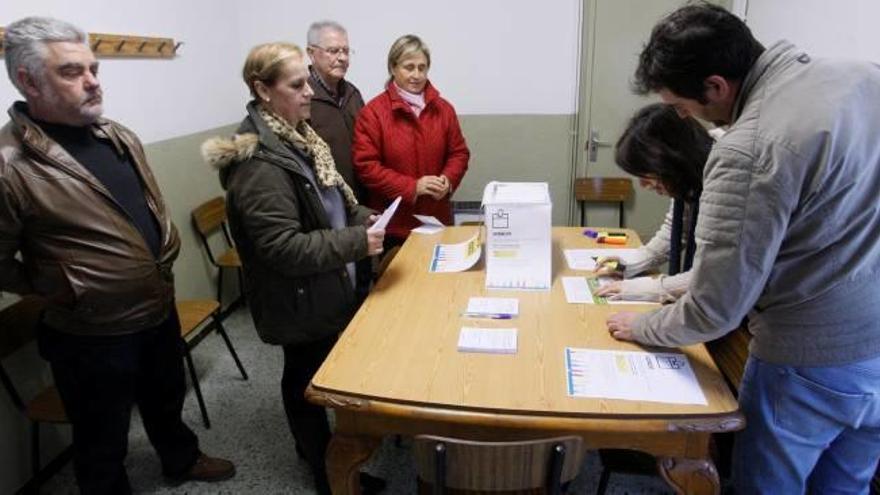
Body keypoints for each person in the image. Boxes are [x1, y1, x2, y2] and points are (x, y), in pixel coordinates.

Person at [605, 3, 880, 493]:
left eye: (682, 108)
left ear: (715, 86)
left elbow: (715, 307)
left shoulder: (748, 148)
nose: (685, 118)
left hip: (808, 359)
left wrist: (643, 323)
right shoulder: (864, 77)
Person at [0, 17, 234, 494]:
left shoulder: (115, 133)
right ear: (28, 80)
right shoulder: (11, 165)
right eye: (71, 72)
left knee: (166, 398)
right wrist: (54, 287)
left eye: (93, 68)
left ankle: (180, 458)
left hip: (154, 304)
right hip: (91, 332)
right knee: (101, 438)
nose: (92, 82)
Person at [201, 42, 385, 495]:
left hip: (322, 284)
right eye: (297, 84)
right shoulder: (259, 164)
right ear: (262, 90)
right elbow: (282, 248)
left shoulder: (299, 138)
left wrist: (363, 219)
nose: (308, 92)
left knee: (314, 372)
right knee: (306, 378)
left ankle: (318, 452)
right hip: (297, 295)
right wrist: (357, 242)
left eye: (307, 80)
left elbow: (331, 204)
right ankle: (329, 474)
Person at [353, 34, 470, 248]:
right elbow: (366, 167)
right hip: (395, 228)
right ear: (393, 68)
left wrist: (448, 179)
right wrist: (413, 187)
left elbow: (459, 153)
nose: (416, 75)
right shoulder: (373, 113)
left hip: (437, 222)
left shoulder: (444, 109)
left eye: (422, 68)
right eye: (409, 67)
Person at [594, 103, 714, 302]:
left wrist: (650, 288)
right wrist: (630, 264)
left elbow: (715, 275)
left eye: (648, 174)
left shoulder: (722, 178)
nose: (643, 185)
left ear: (673, 161)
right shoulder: (690, 178)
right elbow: (676, 230)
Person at [306, 20, 366, 202]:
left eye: (346, 51)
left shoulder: (353, 94)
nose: (342, 58)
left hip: (360, 201)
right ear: (311, 53)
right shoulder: (301, 98)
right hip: (325, 202)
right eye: (333, 51)